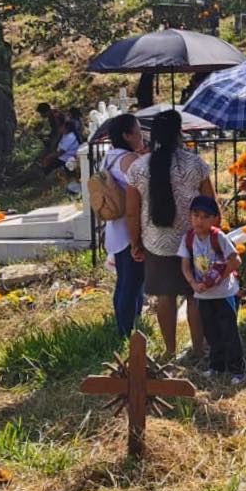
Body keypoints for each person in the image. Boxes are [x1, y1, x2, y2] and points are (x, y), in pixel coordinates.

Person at [126, 110, 213, 361]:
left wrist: (135, 242)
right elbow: (210, 202)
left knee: (165, 295)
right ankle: (199, 349)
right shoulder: (196, 164)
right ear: (179, 133)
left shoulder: (139, 168)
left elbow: (132, 212)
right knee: (194, 293)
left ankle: (170, 350)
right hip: (194, 240)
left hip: (156, 240)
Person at [179, 196, 246, 385]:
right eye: (196, 215)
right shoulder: (189, 238)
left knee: (229, 331)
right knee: (211, 332)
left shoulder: (218, 237)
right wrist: (193, 284)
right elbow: (185, 265)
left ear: (214, 219)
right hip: (203, 294)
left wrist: (217, 278)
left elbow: (235, 260)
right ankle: (216, 366)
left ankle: (237, 370)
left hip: (224, 293)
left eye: (205, 216)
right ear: (190, 216)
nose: (199, 220)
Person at [102, 114, 146, 337]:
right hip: (129, 228)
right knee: (132, 281)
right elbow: (142, 187)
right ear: (127, 135)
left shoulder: (110, 156)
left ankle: (127, 323)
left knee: (126, 280)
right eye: (138, 131)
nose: (142, 135)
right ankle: (126, 331)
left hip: (115, 228)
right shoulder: (128, 159)